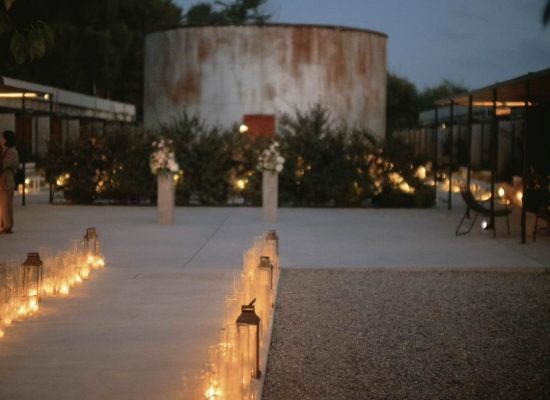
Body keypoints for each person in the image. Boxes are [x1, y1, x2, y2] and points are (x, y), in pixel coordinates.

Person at [0, 130, 19, 234]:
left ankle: (7, 225)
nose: (1, 140)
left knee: (6, 204)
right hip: (4, 180)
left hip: (7, 180)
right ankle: (5, 224)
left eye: (3, 138)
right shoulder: (8, 150)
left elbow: (4, 165)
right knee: (4, 203)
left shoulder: (12, 151)